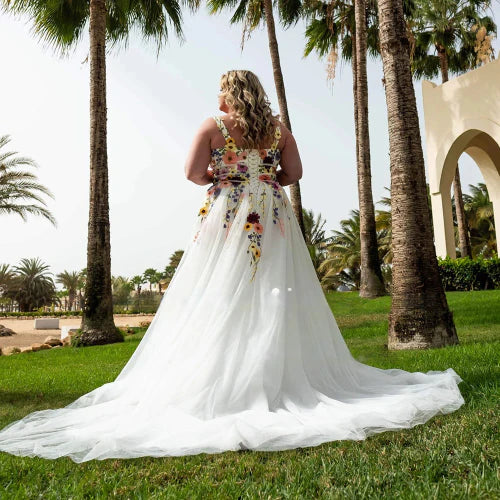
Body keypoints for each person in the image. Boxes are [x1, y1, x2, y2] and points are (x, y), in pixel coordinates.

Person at [0, 70, 464, 463]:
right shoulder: (277, 128)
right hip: (272, 214)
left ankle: (228, 373)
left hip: (230, 212)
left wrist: (223, 177)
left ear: (228, 93)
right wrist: (266, 176)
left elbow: (190, 173)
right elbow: (295, 173)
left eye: (220, 89)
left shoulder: (212, 127)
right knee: (275, 292)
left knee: (220, 290)